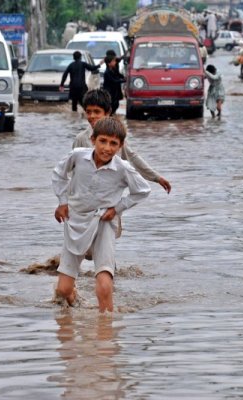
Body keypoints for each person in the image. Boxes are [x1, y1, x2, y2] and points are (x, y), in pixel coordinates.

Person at [52, 116, 151, 312]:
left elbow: (142, 190)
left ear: (121, 146)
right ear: (93, 140)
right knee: (63, 290)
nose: (107, 148)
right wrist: (62, 202)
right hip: (76, 221)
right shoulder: (78, 156)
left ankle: (106, 330)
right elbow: (58, 174)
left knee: (104, 285)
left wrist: (117, 208)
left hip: (104, 222)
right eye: (102, 141)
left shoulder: (122, 168)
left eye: (113, 143)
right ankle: (73, 299)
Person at [73, 88, 172, 193]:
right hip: (87, 198)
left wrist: (156, 178)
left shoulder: (115, 137)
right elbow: (72, 172)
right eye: (88, 112)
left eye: (97, 112)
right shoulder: (81, 140)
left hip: (111, 196)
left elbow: (132, 158)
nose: (92, 116)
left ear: (107, 112)